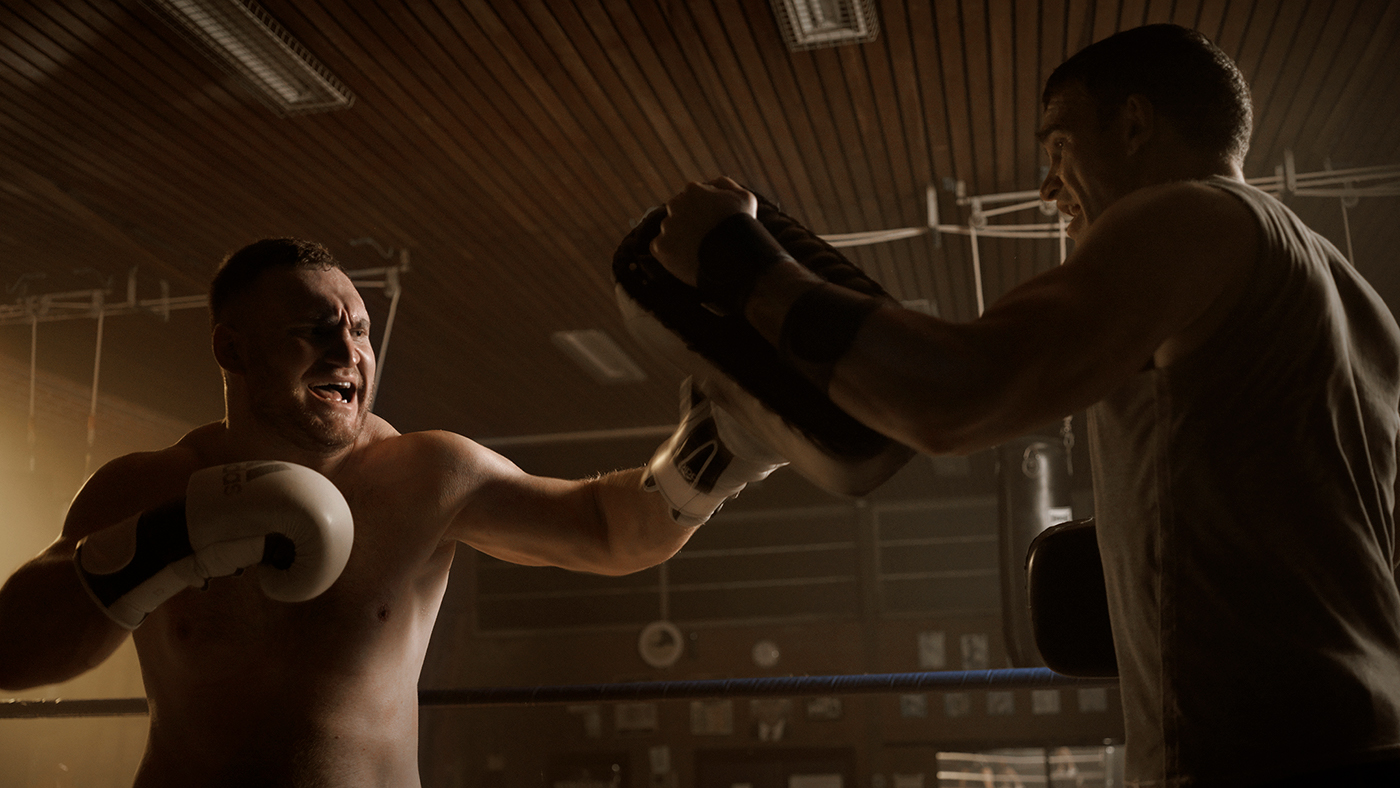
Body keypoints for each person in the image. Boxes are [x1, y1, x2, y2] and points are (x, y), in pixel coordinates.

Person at [650, 24, 1400, 788]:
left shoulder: (1190, 217)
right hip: (1367, 728)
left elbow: (955, 398)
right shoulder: (1353, 298)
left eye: (1057, 146)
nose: (1047, 189)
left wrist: (734, 263)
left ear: (1135, 124)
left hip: (1260, 758)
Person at [0, 238, 780, 786]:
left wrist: (714, 453)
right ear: (232, 351)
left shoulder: (427, 475)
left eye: (361, 330)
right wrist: (173, 540)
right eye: (313, 331)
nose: (349, 354)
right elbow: (12, 654)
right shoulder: (147, 489)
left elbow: (606, 531)